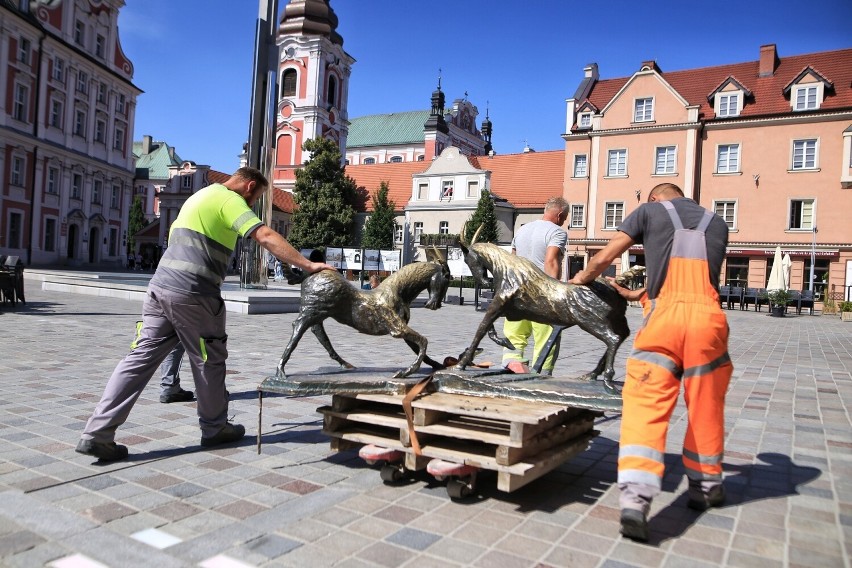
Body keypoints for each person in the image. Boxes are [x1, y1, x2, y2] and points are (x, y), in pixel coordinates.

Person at [76, 167, 335, 462]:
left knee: (139, 359)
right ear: (249, 186)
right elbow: (263, 234)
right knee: (209, 360)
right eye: (256, 198)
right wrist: (308, 264)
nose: (252, 205)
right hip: (194, 293)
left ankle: (97, 433)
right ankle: (215, 428)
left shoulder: (199, 196)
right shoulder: (229, 199)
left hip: (160, 288)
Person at [568, 183, 732, 542]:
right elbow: (689, 282)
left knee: (645, 406)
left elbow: (604, 257)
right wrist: (638, 294)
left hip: (663, 325)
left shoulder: (648, 211)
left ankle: (635, 502)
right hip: (709, 324)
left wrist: (579, 280)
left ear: (656, 198)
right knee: (706, 407)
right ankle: (707, 487)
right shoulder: (717, 222)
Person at [501, 196, 569, 375]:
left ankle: (512, 367)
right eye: (565, 217)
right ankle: (541, 375)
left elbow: (513, 261)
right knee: (546, 337)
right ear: (560, 214)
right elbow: (551, 261)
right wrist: (555, 291)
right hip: (540, 293)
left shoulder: (522, 230)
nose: (564, 221)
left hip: (517, 291)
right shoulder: (557, 232)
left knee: (515, 335)